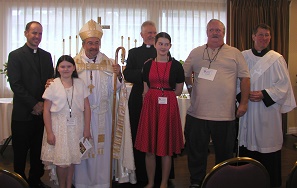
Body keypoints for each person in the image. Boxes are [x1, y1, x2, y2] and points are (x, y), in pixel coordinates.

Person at [183, 19, 250, 188]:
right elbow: (185, 73)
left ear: (223, 32)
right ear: (207, 32)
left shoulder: (235, 53)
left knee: (225, 153)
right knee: (196, 151)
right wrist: (191, 88)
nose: (215, 33)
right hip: (198, 113)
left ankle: (223, 180)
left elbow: (245, 78)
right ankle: (196, 181)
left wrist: (243, 103)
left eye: (218, 30)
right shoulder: (196, 52)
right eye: (212, 30)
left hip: (225, 114)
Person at [238, 23, 296, 187]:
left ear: (270, 38)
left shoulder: (277, 59)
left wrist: (265, 94)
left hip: (268, 110)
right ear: (253, 36)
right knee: (248, 144)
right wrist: (244, 95)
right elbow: (236, 81)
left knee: (268, 145)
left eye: (267, 35)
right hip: (248, 109)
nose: (264, 38)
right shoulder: (243, 56)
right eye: (261, 34)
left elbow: (284, 85)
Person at [71, 19, 125, 188]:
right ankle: (81, 182)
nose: (93, 46)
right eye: (90, 43)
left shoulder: (108, 62)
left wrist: (119, 75)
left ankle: (102, 182)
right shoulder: (73, 63)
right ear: (83, 43)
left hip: (103, 114)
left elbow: (116, 89)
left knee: (102, 150)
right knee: (82, 148)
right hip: (81, 117)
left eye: (96, 43)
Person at [123, 21, 175, 186]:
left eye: (154, 32)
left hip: (162, 101)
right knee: (143, 137)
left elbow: (172, 73)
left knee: (163, 137)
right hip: (140, 99)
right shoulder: (133, 53)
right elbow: (127, 74)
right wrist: (146, 73)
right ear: (142, 35)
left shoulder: (163, 50)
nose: (151, 35)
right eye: (148, 33)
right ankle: (142, 176)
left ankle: (162, 177)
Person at [134, 32, 185, 188]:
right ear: (155, 45)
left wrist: (164, 96)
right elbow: (145, 89)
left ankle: (163, 182)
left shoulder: (177, 66)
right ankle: (150, 182)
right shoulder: (148, 64)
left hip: (168, 107)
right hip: (151, 106)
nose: (163, 47)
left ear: (170, 46)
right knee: (149, 149)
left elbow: (178, 90)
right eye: (160, 43)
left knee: (166, 148)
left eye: (166, 44)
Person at [7, 21, 54, 188]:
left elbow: (50, 81)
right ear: (26, 33)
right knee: (20, 152)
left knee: (37, 151)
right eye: (34, 33)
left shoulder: (46, 56)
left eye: (40, 33)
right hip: (23, 113)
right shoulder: (15, 55)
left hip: (42, 114)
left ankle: (35, 180)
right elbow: (16, 84)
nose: (37, 36)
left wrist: (43, 104)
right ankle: (18, 181)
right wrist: (34, 104)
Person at [41, 55, 91, 188]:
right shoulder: (53, 85)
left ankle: (69, 185)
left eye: (69, 66)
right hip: (59, 127)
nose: (66, 69)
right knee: (62, 161)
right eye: (62, 66)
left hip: (76, 127)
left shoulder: (80, 83)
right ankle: (62, 185)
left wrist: (87, 129)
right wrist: (49, 132)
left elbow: (87, 107)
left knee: (72, 159)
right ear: (58, 68)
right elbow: (46, 110)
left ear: (74, 67)